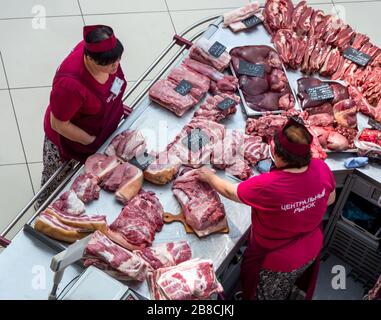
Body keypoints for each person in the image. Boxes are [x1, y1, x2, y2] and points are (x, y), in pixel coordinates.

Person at [196, 117, 336, 300]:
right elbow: (330, 199)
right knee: (286, 286)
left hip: (278, 259)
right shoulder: (321, 167)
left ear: (278, 154)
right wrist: (302, 210)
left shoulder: (268, 185)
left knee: (266, 295)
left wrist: (209, 177)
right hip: (311, 247)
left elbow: (230, 192)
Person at [37, 25, 131, 208]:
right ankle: (42, 208)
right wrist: (91, 141)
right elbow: (58, 123)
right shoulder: (70, 84)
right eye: (109, 64)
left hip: (103, 128)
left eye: (117, 60)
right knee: (55, 179)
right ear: (89, 58)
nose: (115, 66)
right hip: (69, 141)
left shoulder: (108, 57)